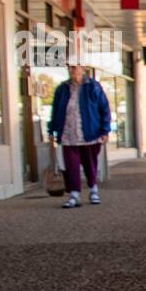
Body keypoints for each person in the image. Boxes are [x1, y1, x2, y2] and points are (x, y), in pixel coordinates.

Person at [48, 64, 111, 208]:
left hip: (89, 134)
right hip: (68, 135)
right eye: (70, 68)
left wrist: (105, 130)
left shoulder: (93, 87)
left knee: (90, 164)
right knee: (71, 166)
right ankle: (74, 194)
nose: (72, 70)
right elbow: (55, 111)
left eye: (75, 67)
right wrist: (52, 131)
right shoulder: (62, 89)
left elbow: (104, 109)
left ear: (82, 69)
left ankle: (93, 189)